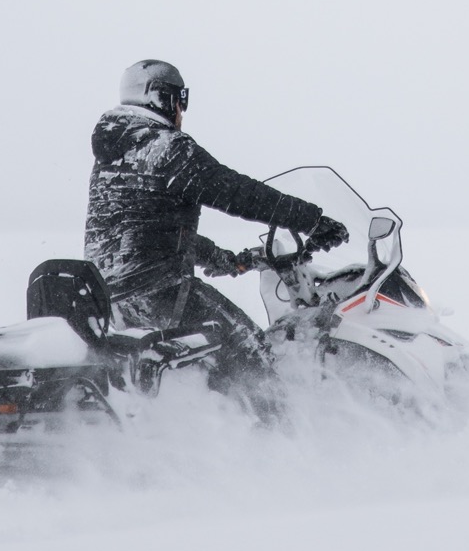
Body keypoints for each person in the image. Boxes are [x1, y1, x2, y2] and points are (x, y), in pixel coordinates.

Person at [84, 59, 347, 422]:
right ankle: (280, 437)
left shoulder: (115, 155)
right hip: (160, 292)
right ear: (161, 98)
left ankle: (217, 427)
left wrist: (223, 259)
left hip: (112, 298)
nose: (181, 111)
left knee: (215, 364)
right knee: (252, 351)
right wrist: (312, 220)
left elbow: (147, 230)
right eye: (180, 100)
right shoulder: (167, 147)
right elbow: (235, 191)